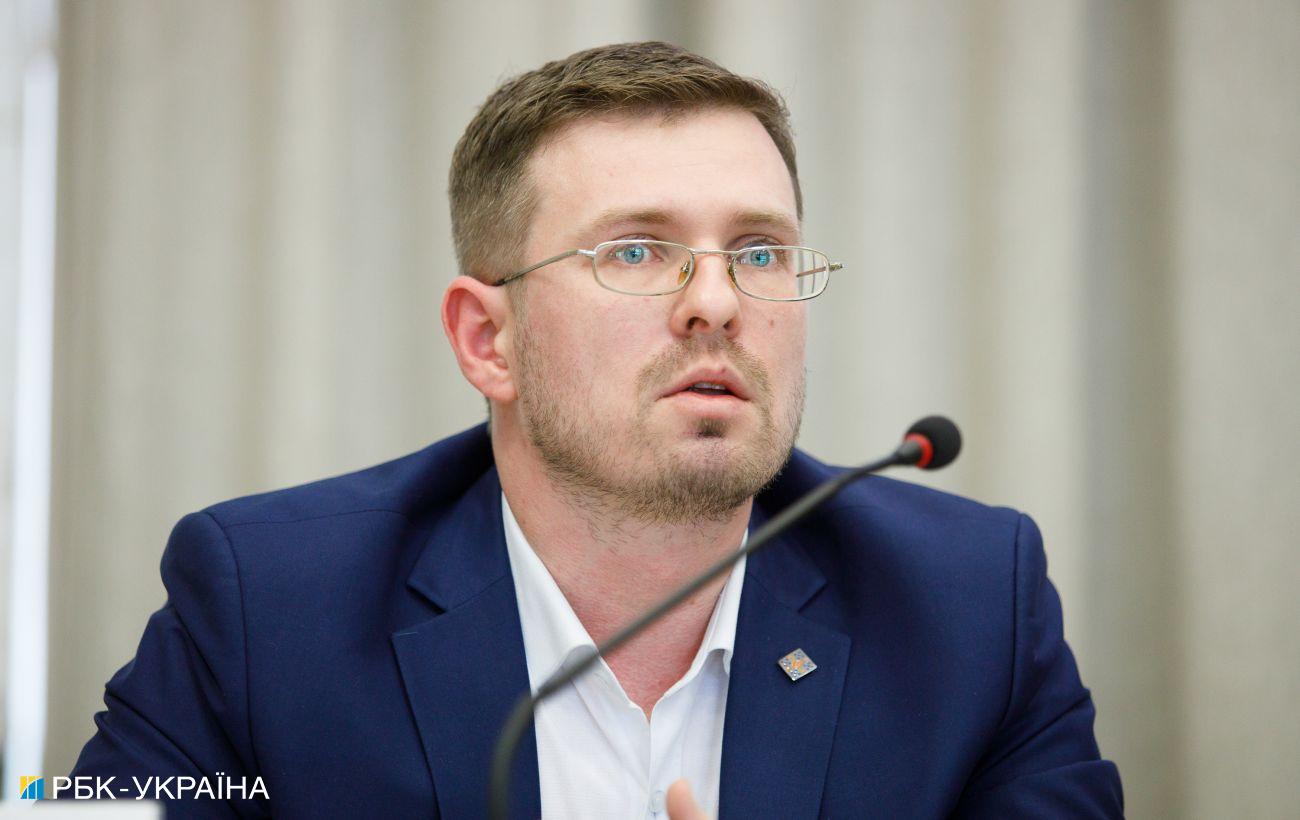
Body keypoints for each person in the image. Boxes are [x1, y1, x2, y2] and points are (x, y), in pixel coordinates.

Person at [70, 42, 1123, 818]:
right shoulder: (267, 605)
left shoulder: (967, 605)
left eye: (759, 252)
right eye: (635, 252)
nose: (716, 302)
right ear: (488, 338)